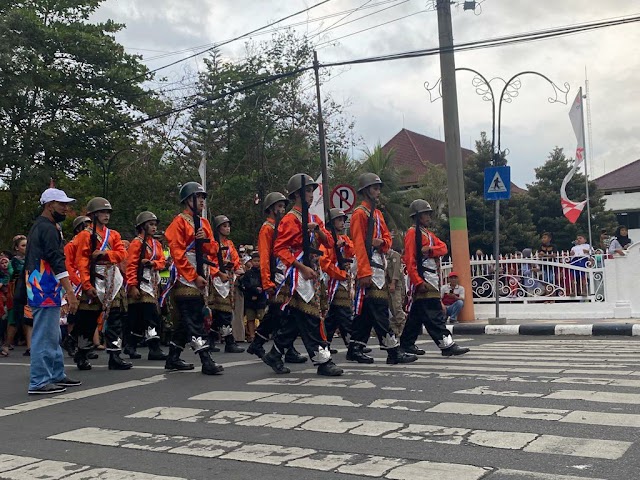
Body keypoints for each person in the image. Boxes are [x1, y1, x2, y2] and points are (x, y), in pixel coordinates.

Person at [261, 173, 342, 376]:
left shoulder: (314, 218)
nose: (311, 195)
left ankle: (275, 353)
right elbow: (280, 249)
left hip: (313, 273)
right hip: (299, 276)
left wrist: (319, 231)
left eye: (311, 191)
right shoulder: (289, 219)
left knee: (296, 321)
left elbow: (330, 243)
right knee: (312, 317)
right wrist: (301, 267)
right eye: (307, 191)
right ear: (296, 195)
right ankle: (323, 360)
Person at [347, 173, 416, 365]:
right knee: (379, 310)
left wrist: (381, 242)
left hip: (379, 265)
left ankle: (354, 347)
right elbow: (359, 244)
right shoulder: (359, 214)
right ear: (366, 190)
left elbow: (387, 239)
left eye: (379, 188)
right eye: (375, 188)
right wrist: (364, 272)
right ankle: (393, 350)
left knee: (368, 312)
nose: (378, 192)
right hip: (368, 267)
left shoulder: (377, 214)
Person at [163, 181, 223, 375]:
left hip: (200, 271)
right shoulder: (178, 222)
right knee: (194, 318)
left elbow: (213, 249)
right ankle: (205, 359)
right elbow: (177, 253)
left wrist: (203, 238)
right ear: (188, 200)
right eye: (199, 197)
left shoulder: (204, 223)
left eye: (203, 198)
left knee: (185, 321)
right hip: (184, 276)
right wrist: (193, 275)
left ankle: (173, 357)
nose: (202, 201)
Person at [25, 187, 80, 394]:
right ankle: (39, 381)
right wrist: (70, 291)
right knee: (45, 335)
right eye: (62, 204)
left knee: (53, 333)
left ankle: (56, 374)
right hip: (44, 287)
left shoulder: (45, 226)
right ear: (49, 206)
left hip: (44, 285)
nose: (66, 208)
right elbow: (56, 260)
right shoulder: (47, 228)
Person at [400, 199, 469, 357]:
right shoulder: (412, 233)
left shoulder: (429, 234)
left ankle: (406, 344)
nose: (428, 217)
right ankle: (446, 344)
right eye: (425, 214)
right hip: (423, 277)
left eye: (428, 214)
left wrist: (430, 250)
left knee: (416, 316)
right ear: (417, 216)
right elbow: (409, 259)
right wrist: (418, 281)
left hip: (431, 277)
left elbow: (443, 248)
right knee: (434, 313)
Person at [246, 192, 307, 364]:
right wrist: (267, 282)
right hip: (275, 275)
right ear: (271, 209)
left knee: (282, 313)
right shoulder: (267, 228)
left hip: (285, 273)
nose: (282, 209)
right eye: (279, 206)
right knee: (280, 313)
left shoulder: (281, 227)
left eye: (283, 206)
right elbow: (265, 256)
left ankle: (279, 347)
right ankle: (263, 344)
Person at [73, 197, 131, 371]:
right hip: (94, 277)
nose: (106, 215)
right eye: (102, 212)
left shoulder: (114, 235)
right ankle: (82, 353)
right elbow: (81, 260)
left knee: (115, 319)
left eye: (107, 212)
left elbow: (121, 254)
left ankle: (115, 355)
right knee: (89, 320)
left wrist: (105, 254)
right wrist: (86, 284)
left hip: (112, 278)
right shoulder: (85, 235)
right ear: (94, 215)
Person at [125, 211, 168, 361]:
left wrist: (152, 263)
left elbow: (163, 262)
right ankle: (154, 348)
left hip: (154, 283)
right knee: (151, 317)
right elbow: (131, 265)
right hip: (141, 283)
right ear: (142, 226)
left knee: (139, 319)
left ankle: (130, 345)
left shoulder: (156, 244)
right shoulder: (136, 243)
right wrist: (132, 285)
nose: (154, 227)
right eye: (151, 224)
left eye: (155, 224)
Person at [320, 208, 355, 353]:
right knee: (345, 312)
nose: (342, 223)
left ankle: (325, 343)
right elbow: (324, 261)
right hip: (333, 279)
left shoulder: (344, 238)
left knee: (333, 316)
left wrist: (344, 245)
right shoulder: (327, 240)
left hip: (344, 278)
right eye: (339, 220)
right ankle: (353, 343)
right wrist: (339, 273)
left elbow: (353, 251)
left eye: (343, 220)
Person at [209, 215, 245, 353]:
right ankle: (229, 342)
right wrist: (218, 272)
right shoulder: (213, 243)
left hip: (229, 278)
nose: (227, 228)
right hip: (218, 278)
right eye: (224, 226)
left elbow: (235, 258)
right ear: (218, 228)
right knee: (224, 312)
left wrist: (237, 268)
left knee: (220, 313)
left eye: (228, 226)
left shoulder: (229, 244)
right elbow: (210, 261)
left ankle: (211, 340)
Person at [60, 216, 90, 358]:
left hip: (87, 281)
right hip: (75, 283)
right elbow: (68, 267)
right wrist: (78, 283)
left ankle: (82, 345)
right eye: (86, 225)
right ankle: (71, 342)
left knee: (85, 315)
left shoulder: (90, 243)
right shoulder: (71, 245)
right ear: (79, 228)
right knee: (73, 314)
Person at [239, 251, 266, 343]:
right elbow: (245, 284)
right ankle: (252, 335)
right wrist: (253, 290)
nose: (257, 263)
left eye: (258, 261)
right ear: (251, 261)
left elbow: (265, 283)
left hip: (261, 298)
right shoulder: (248, 273)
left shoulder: (263, 272)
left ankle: (262, 334)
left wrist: (260, 290)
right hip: (250, 298)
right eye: (255, 261)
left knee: (261, 317)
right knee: (250, 318)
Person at [386, 244, 406, 337]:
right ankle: (395, 330)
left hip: (395, 285)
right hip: (386, 285)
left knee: (397, 307)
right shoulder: (383, 256)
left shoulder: (395, 255)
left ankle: (403, 328)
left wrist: (393, 283)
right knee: (390, 308)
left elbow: (396, 271)